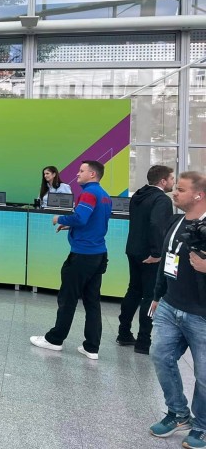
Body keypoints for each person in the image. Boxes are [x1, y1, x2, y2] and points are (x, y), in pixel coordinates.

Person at [147, 171, 206, 448]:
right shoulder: (176, 221)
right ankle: (178, 413)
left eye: (181, 190)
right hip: (170, 306)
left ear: (199, 194)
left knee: (203, 376)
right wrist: (158, 295)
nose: (175, 193)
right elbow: (166, 261)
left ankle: (202, 425)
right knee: (160, 356)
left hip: (202, 314)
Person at [30, 160, 112, 360]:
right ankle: (91, 347)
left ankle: (55, 339)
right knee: (92, 302)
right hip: (99, 254)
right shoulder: (105, 196)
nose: (77, 174)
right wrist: (71, 226)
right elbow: (94, 222)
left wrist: (60, 219)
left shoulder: (89, 194)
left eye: (82, 171)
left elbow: (80, 218)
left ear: (92, 174)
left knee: (68, 298)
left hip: (82, 255)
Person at [117, 165, 175, 354]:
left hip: (133, 249)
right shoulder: (162, 200)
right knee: (150, 296)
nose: (173, 182)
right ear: (163, 181)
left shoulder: (138, 195)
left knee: (133, 290)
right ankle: (143, 341)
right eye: (172, 179)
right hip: (150, 254)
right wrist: (157, 253)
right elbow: (156, 225)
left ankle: (123, 333)